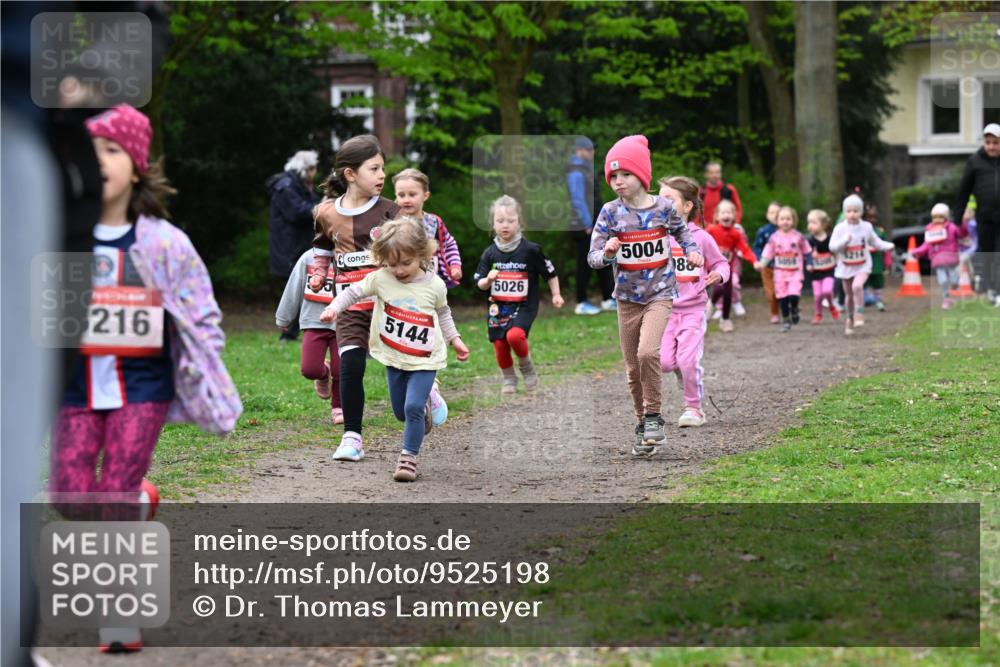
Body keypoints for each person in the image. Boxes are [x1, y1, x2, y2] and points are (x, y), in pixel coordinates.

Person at [51, 105, 242, 652]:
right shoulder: (59, 235)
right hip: (77, 386)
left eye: (111, 150)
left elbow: (201, 309)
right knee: (69, 493)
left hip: (143, 384)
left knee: (112, 491)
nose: (98, 162)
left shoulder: (163, 242)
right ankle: (137, 501)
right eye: (88, 152)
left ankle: (120, 617)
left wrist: (201, 357)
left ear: (136, 166)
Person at [321, 218, 468, 481]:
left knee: (411, 408)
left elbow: (443, 314)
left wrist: (454, 339)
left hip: (425, 359)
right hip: (394, 357)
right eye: (391, 263)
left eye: (405, 263)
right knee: (401, 412)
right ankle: (423, 408)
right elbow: (353, 292)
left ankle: (408, 458)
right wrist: (334, 307)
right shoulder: (380, 278)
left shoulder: (434, 285)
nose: (398, 270)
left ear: (422, 254)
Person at [588, 135, 704, 455]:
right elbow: (593, 257)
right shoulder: (610, 213)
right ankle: (642, 423)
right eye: (612, 176)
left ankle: (653, 415)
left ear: (642, 174)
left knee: (647, 353)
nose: (618, 182)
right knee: (631, 368)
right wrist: (609, 252)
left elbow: (683, 233)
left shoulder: (664, 208)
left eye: (625, 174)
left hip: (660, 294)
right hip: (626, 299)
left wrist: (692, 252)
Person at [309, 135, 400, 461]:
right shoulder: (325, 212)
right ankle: (352, 437)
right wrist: (320, 272)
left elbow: (409, 251)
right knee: (349, 365)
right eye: (374, 168)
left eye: (383, 169)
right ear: (350, 174)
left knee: (399, 363)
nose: (381, 175)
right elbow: (321, 248)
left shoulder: (391, 210)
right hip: (348, 304)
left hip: (389, 303)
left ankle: (427, 390)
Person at [657, 176, 729, 428]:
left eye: (669, 199)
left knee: (688, 360)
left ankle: (694, 408)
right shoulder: (656, 236)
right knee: (666, 362)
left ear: (687, 207)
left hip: (693, 310)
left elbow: (721, 262)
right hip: (663, 310)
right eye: (659, 199)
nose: (661, 204)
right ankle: (681, 371)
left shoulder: (702, 238)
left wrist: (719, 274)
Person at [475, 195, 564, 393]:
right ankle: (508, 378)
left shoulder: (531, 250)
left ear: (519, 222)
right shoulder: (489, 254)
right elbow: (479, 283)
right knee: (499, 343)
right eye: (500, 221)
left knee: (515, 336)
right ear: (492, 224)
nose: (505, 225)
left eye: (510, 220)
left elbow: (550, 273)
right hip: (498, 308)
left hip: (524, 306)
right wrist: (488, 281)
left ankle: (526, 366)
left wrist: (556, 294)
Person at [276, 248, 344, 423]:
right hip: (314, 321)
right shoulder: (308, 258)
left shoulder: (351, 257)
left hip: (343, 324)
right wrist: (284, 318)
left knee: (341, 369)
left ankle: (339, 407)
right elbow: (293, 287)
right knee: (309, 369)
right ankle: (323, 373)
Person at [268, 150, 320, 342]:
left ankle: (293, 332)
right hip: (288, 247)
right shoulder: (287, 186)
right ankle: (287, 334)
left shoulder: (301, 185)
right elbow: (297, 212)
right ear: (305, 168)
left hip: (299, 244)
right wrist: (321, 207)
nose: (315, 172)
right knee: (293, 289)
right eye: (313, 168)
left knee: (302, 287)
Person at [830, 194, 895, 335]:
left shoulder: (866, 227)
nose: (852, 214)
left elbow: (875, 242)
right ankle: (850, 318)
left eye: (856, 211)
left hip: (863, 265)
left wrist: (887, 246)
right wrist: (844, 242)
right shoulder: (840, 228)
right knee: (848, 295)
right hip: (846, 266)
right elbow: (832, 247)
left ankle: (859, 312)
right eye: (849, 211)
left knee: (857, 286)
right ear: (844, 212)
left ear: (861, 212)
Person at [393, 168, 463, 288]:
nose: (406, 200)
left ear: (425, 196)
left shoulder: (434, 222)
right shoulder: (393, 224)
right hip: (402, 285)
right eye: (401, 195)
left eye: (412, 194)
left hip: (432, 284)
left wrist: (455, 265)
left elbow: (449, 243)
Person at [567, 136, 614, 315]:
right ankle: (581, 302)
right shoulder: (575, 170)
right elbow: (577, 199)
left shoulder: (586, 168)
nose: (592, 152)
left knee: (604, 259)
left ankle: (608, 298)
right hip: (584, 225)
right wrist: (587, 223)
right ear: (579, 150)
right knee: (584, 263)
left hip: (594, 223)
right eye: (589, 149)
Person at [957, 123, 1000, 306]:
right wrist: (957, 217)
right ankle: (990, 288)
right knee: (988, 254)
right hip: (985, 218)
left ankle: (998, 292)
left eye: (996, 142)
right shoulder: (975, 161)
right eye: (988, 142)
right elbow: (964, 191)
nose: (991, 146)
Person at [756, 206, 812, 332]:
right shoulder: (774, 238)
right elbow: (768, 253)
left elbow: (807, 251)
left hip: (795, 273)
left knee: (793, 296)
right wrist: (761, 264)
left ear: (793, 220)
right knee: (782, 297)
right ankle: (786, 320)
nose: (785, 221)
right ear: (777, 221)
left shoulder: (798, 237)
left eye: (788, 218)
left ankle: (795, 309)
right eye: (782, 219)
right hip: (780, 273)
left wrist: (809, 262)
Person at [707, 199, 756, 332]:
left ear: (734, 216)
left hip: (727, 268)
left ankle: (725, 319)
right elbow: (701, 242)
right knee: (718, 289)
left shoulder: (736, 234)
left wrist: (754, 261)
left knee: (727, 293)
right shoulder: (711, 230)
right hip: (711, 268)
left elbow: (745, 249)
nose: (726, 215)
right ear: (717, 216)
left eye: (729, 213)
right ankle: (710, 304)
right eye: (723, 212)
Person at [909, 203, 969, 309]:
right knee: (943, 280)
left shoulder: (951, 228)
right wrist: (917, 252)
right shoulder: (930, 230)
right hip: (937, 260)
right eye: (935, 217)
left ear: (946, 217)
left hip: (950, 258)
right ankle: (946, 299)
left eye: (940, 217)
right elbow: (926, 245)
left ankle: (954, 287)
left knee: (954, 278)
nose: (937, 219)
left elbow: (961, 234)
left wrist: (963, 223)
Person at [805, 209, 840, 324]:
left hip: (829, 271)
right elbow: (806, 254)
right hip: (816, 273)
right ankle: (818, 314)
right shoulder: (809, 241)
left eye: (814, 222)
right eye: (809, 222)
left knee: (827, 291)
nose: (810, 225)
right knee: (817, 295)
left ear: (823, 225)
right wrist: (810, 261)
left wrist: (838, 260)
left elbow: (836, 251)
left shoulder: (831, 239)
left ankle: (831, 306)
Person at [753, 201, 782, 323]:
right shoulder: (763, 231)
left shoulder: (786, 231)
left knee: (784, 291)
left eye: (777, 212)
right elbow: (757, 247)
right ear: (767, 215)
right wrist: (759, 260)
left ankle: (787, 308)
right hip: (767, 268)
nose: (774, 215)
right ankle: (774, 313)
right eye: (771, 212)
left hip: (783, 268)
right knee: (771, 293)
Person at [863, 203, 890, 312]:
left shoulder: (880, 231)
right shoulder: (861, 231)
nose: (872, 220)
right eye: (869, 217)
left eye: (874, 217)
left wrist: (887, 262)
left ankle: (878, 300)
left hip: (877, 263)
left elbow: (885, 247)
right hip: (864, 263)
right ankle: (864, 300)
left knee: (878, 283)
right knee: (864, 282)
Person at [701, 160, 743, 227]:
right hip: (705, 232)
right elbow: (696, 213)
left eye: (717, 172)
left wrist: (735, 224)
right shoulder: (701, 192)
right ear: (706, 174)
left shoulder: (729, 190)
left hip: (726, 230)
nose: (715, 175)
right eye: (711, 173)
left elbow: (738, 210)